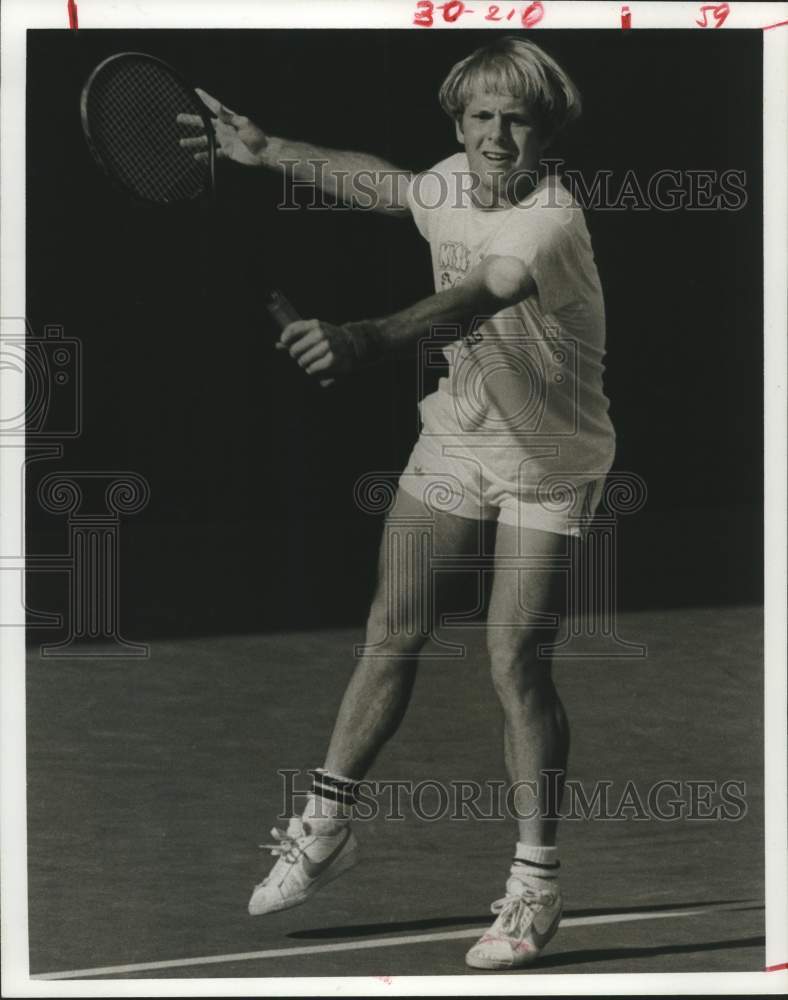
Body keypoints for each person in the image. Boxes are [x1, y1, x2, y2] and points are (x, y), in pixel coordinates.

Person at [178, 35, 615, 970]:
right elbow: (384, 184)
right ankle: (327, 824)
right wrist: (272, 152)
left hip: (549, 458)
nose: (498, 138)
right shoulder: (453, 178)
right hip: (458, 437)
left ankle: (536, 890)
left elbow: (472, 298)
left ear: (548, 132)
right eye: (481, 118)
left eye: (518, 120)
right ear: (460, 124)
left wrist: (362, 338)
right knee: (393, 627)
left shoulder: (547, 225)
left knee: (515, 659)